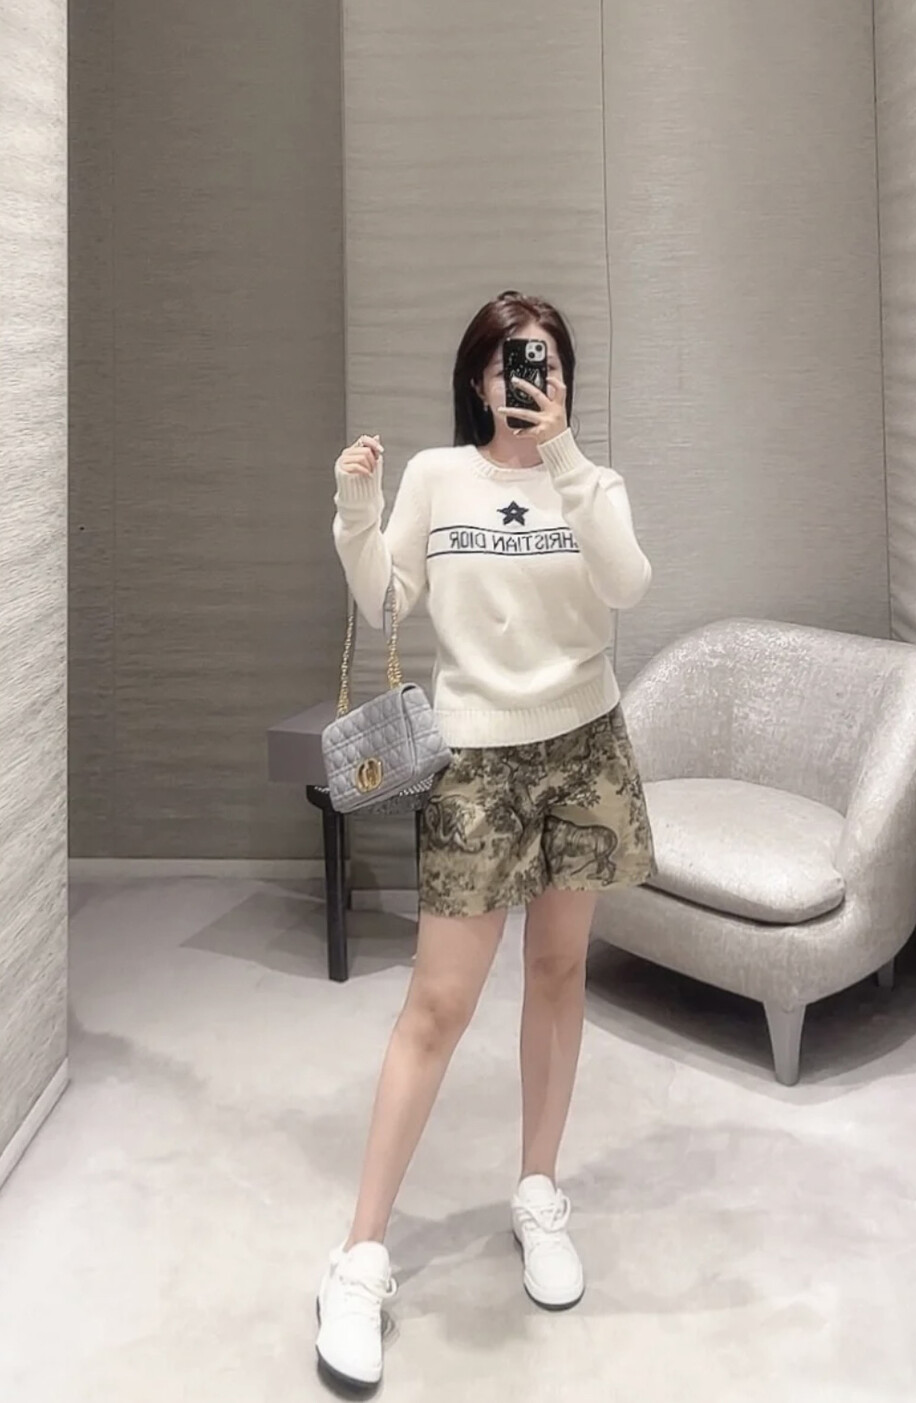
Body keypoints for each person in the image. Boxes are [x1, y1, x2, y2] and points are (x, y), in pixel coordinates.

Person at [316, 291, 654, 1388]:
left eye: (544, 362)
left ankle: (538, 1191)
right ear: (477, 377)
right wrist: (356, 508)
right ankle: (360, 1257)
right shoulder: (436, 476)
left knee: (558, 973)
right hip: (474, 759)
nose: (527, 378)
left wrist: (565, 455)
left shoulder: (592, 482)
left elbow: (627, 583)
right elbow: (387, 601)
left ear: (564, 377)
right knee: (438, 1004)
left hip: (585, 746)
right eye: (511, 362)